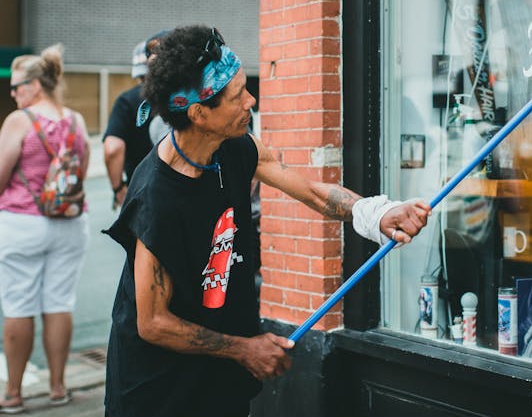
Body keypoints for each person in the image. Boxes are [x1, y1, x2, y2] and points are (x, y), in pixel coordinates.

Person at [103, 25, 431, 416]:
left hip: (219, 380)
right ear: (199, 113)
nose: (251, 100)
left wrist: (376, 213)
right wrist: (246, 348)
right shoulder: (157, 195)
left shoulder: (238, 147)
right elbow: (153, 322)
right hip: (158, 392)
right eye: (238, 94)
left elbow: (311, 191)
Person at [0, 45, 90, 413]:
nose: (13, 92)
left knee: (19, 304)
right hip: (69, 223)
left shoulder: (19, 121)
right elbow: (80, 174)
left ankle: (14, 395)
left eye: (18, 86)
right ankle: (57, 388)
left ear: (36, 85)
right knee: (59, 303)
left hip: (22, 221)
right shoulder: (76, 120)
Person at [103, 31, 169, 209]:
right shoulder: (192, 99)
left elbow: (112, 149)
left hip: (140, 195)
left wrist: (118, 189)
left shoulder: (127, 100)